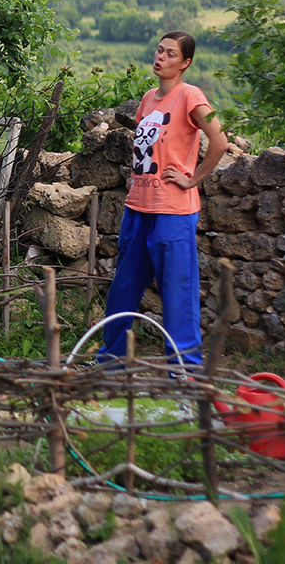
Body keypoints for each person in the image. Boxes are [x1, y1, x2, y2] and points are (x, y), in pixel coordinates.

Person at [96, 31, 228, 370]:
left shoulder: (191, 96)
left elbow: (219, 142)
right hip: (138, 206)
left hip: (173, 211)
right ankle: (110, 362)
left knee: (177, 293)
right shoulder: (148, 98)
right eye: (159, 51)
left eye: (171, 54)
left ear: (184, 63)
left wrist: (193, 178)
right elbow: (146, 149)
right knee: (123, 287)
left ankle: (184, 372)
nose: (161, 57)